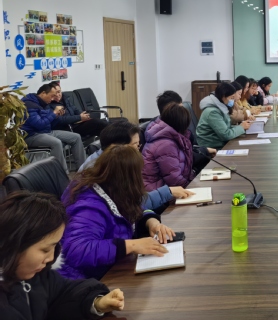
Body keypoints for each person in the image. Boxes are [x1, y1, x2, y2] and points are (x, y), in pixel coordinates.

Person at [0, 191, 125, 319]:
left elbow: (65, 293)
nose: (50, 258)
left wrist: (96, 302)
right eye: (45, 250)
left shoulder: (40, 276)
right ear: (15, 245)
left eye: (55, 247)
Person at [58, 145, 175, 280]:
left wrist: (151, 222)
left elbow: (133, 208)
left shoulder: (113, 190)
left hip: (109, 269)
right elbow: (77, 250)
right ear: (127, 180)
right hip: (84, 280)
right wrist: (131, 245)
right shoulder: (89, 207)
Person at [77, 121, 195, 211]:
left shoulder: (115, 162)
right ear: (117, 147)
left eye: (139, 145)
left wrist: (149, 220)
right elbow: (129, 205)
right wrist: (167, 192)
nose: (138, 151)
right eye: (135, 145)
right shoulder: (101, 170)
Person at [142, 103, 209, 190]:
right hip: (159, 190)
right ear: (182, 124)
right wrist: (193, 188)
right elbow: (174, 180)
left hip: (169, 187)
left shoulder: (174, 138)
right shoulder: (165, 145)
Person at [21, 83, 86, 173]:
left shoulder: (42, 103)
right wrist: (53, 113)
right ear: (43, 93)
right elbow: (39, 124)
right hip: (32, 135)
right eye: (51, 96)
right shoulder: (29, 105)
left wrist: (57, 116)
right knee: (56, 142)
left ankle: (83, 168)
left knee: (76, 137)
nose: (52, 99)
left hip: (46, 131)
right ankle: (63, 173)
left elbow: (49, 122)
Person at [196, 82, 252, 150]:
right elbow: (226, 135)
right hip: (212, 147)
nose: (233, 100)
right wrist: (241, 127)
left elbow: (226, 127)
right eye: (232, 98)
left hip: (220, 143)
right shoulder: (213, 112)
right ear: (223, 96)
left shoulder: (222, 106)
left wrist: (242, 126)